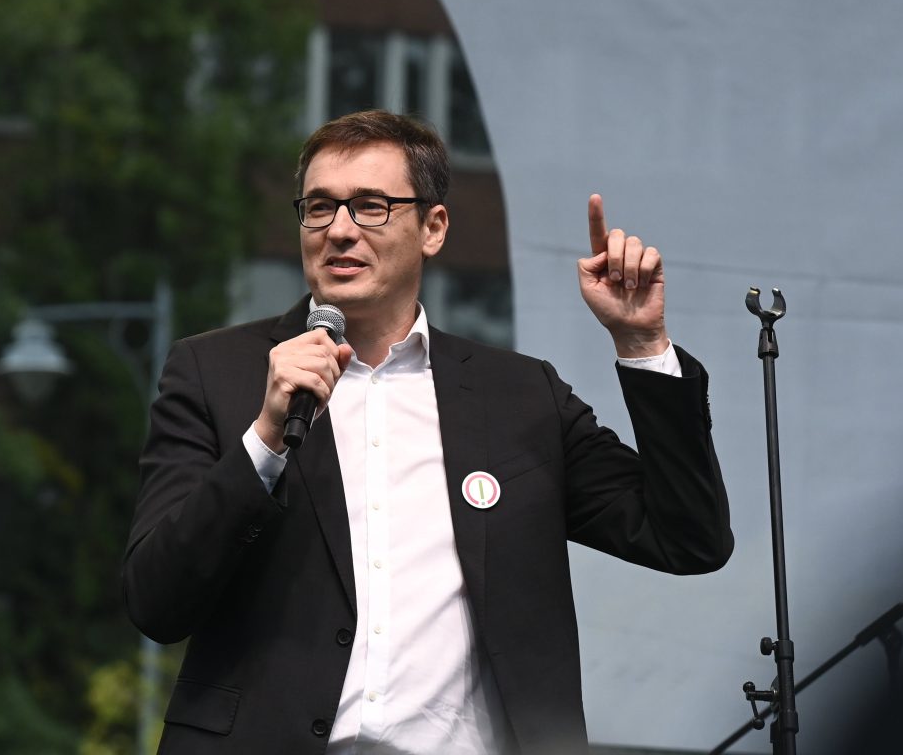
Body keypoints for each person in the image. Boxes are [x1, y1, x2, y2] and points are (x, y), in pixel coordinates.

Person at [123, 110, 733, 754]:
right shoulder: (216, 372)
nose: (340, 230)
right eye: (320, 207)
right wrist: (265, 440)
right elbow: (156, 602)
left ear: (433, 228)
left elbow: (687, 538)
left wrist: (641, 343)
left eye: (371, 206)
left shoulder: (519, 396)